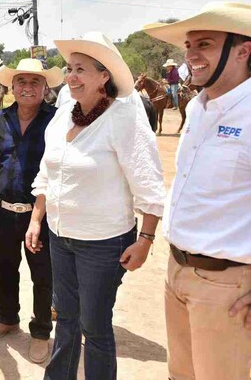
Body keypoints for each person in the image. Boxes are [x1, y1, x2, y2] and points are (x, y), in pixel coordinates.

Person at [26, 31, 165, 379]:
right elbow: (47, 171)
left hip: (103, 243)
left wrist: (145, 239)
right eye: (70, 68)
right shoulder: (62, 117)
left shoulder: (123, 118)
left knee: (95, 326)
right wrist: (36, 219)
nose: (71, 77)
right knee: (66, 318)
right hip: (61, 237)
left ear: (105, 76)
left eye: (81, 69)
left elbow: (148, 184)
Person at [143, 1, 251, 380]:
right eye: (189, 46)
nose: (191, 55)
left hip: (227, 285)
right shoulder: (198, 108)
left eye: (204, 44)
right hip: (179, 271)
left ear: (244, 50)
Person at [0, 59, 62, 363]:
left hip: (41, 214)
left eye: (34, 82)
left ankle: (40, 332)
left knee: (42, 275)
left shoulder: (56, 120)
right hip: (4, 212)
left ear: (44, 88)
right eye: (21, 82)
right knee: (6, 269)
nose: (27, 88)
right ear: (12, 87)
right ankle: (8, 318)